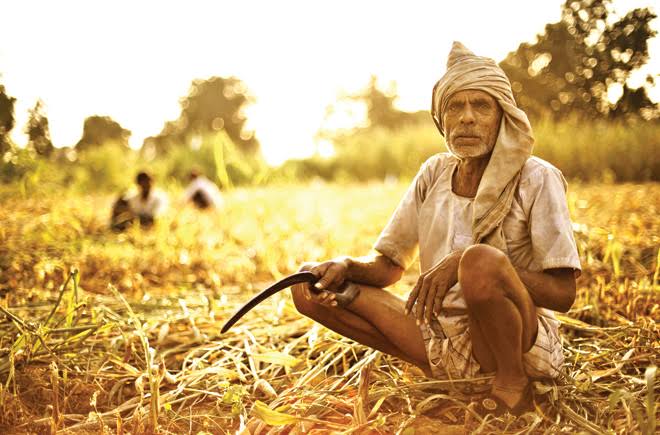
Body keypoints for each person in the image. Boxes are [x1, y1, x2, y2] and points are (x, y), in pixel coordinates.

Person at [291, 42, 581, 416]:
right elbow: (388, 266)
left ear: (502, 116)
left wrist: (465, 263)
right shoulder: (434, 174)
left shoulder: (537, 178)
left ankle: (512, 384)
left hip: (517, 344)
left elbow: (563, 293)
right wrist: (344, 266)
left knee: (479, 262)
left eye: (481, 106)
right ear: (441, 119)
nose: (467, 118)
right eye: (455, 107)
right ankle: (450, 376)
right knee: (306, 290)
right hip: (441, 341)